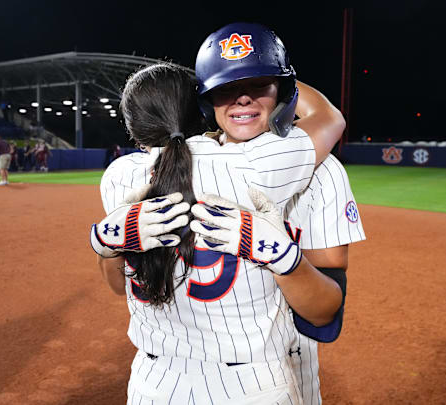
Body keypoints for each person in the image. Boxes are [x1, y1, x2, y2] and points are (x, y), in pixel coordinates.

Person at [92, 49, 343, 404]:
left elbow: (119, 284)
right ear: (202, 108)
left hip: (153, 383)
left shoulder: (118, 177)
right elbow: (328, 118)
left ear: (133, 127)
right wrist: (270, 78)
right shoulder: (254, 164)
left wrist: (103, 243)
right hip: (251, 383)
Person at [191, 22, 362, 405]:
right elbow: (328, 116)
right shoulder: (310, 160)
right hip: (183, 360)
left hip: (281, 363)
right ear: (208, 100)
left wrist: (286, 262)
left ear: (281, 92)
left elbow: (324, 312)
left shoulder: (176, 163)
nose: (242, 99)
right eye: (226, 88)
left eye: (259, 85)